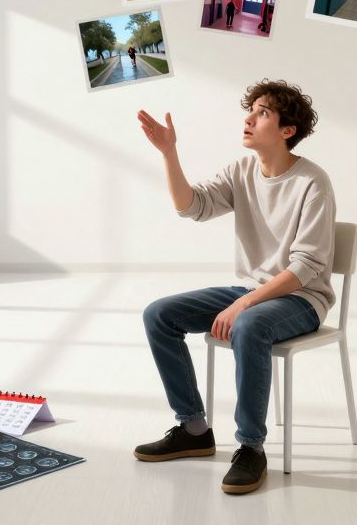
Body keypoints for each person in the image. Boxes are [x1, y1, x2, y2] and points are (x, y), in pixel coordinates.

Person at [134, 79, 336, 495]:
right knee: (159, 315)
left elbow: (306, 268)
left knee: (249, 326)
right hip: (251, 291)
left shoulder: (313, 182)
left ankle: (250, 448)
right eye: (252, 109)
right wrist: (169, 153)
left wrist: (243, 304)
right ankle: (192, 428)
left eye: (263, 112)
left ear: (287, 131)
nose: (249, 118)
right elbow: (191, 207)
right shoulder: (241, 171)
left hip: (302, 299)